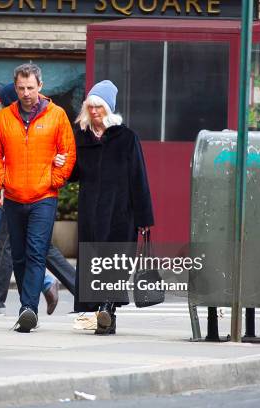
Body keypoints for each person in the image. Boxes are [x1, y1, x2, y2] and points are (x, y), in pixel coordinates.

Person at [0, 63, 76, 332]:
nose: (26, 93)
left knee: (36, 252)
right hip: (13, 196)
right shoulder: (4, 118)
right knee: (20, 256)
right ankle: (28, 306)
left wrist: (55, 180)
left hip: (43, 197)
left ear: (40, 86)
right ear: (15, 87)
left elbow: (68, 152)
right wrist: (3, 180)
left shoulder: (56, 116)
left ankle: (28, 309)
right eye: (21, 88)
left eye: (30, 88)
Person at [62, 80, 154, 335]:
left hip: (121, 213)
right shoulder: (81, 136)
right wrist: (63, 163)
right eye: (90, 106)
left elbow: (139, 177)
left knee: (114, 262)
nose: (93, 111)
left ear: (108, 108)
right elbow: (75, 174)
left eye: (98, 107)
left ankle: (107, 307)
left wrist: (144, 217)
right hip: (91, 211)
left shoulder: (126, 138)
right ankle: (102, 314)